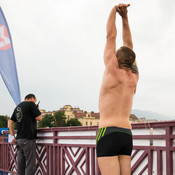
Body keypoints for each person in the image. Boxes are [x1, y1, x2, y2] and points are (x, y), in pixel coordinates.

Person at [96, 4, 139, 175]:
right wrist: (125, 17)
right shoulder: (133, 77)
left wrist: (114, 10)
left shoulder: (112, 70)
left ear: (116, 59)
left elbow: (110, 36)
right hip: (126, 134)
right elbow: (129, 45)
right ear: (131, 60)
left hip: (108, 131)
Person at [8, 94, 42, 175]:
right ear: (31, 98)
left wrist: (13, 136)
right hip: (28, 138)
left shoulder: (18, 107)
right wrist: (37, 109)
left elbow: (10, 121)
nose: (35, 102)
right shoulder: (31, 104)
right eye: (35, 100)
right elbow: (39, 118)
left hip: (19, 139)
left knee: (21, 165)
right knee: (30, 165)